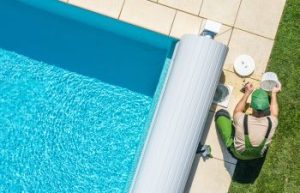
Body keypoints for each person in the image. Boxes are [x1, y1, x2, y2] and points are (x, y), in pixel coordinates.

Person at [215, 83, 281, 160]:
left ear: (251, 106)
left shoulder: (241, 119)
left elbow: (237, 110)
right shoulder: (272, 122)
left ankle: (230, 146)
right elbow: (274, 113)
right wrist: (274, 93)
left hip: (238, 154)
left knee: (221, 114)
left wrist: (247, 92)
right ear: (267, 107)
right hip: (257, 155)